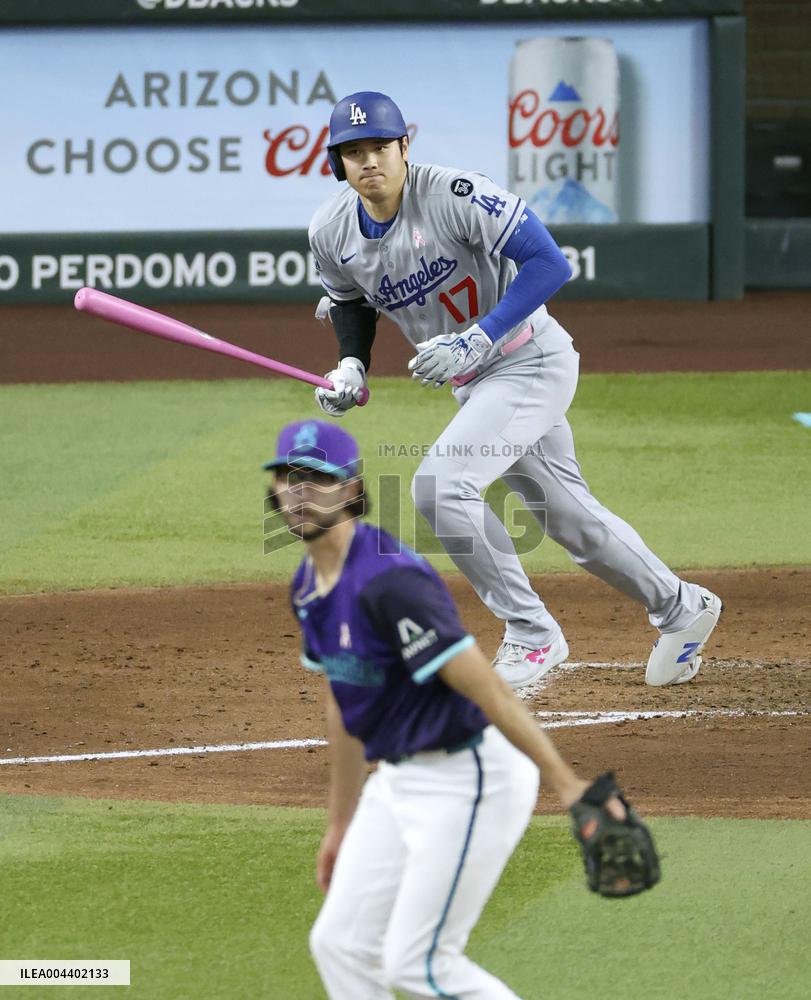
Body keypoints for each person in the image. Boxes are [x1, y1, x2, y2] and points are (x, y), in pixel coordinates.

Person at [307, 90, 722, 690]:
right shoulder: (331, 230)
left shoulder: (454, 195)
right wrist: (351, 365)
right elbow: (348, 300)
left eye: (380, 146)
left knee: (440, 486)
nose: (369, 160)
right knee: (572, 521)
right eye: (353, 151)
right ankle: (683, 607)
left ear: (404, 146)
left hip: (529, 360)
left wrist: (478, 337)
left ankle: (531, 633)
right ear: (336, 161)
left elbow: (550, 263)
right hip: (477, 384)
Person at [263, 418, 655, 1000]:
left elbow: (489, 689)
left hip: (468, 778)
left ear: (350, 490)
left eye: (317, 479)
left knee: (419, 965)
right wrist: (340, 824)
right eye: (288, 478)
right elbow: (342, 706)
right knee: (339, 943)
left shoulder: (390, 581)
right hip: (396, 781)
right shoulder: (308, 584)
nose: (300, 492)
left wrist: (566, 784)